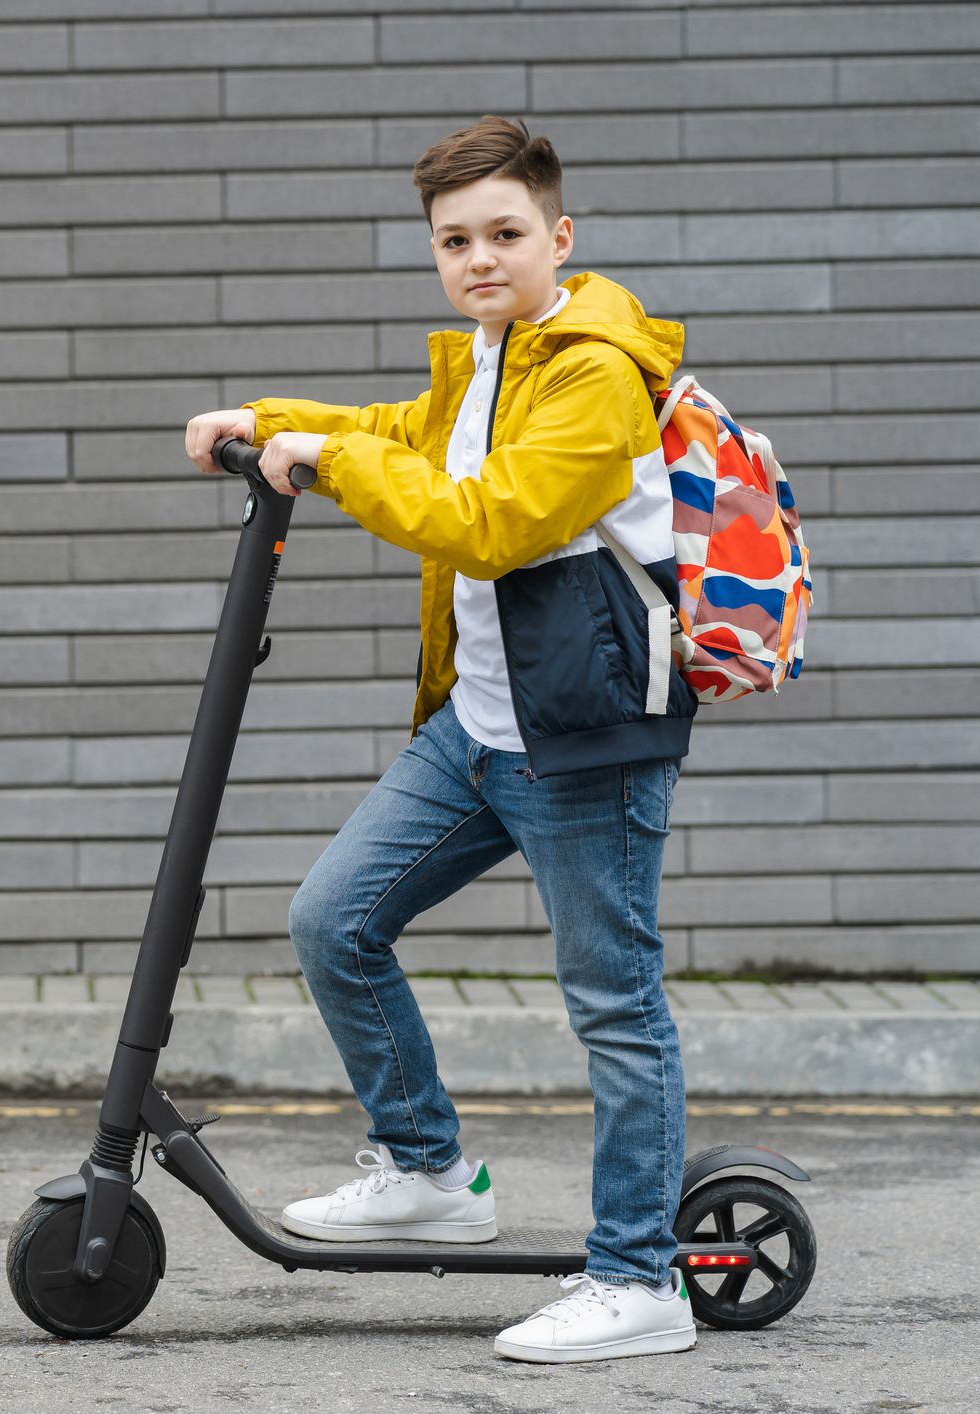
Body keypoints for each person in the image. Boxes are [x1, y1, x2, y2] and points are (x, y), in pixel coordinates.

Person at [183, 114, 698, 1364]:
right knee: (334, 919)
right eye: (454, 239)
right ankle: (426, 1167)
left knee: (614, 1007)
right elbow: (409, 433)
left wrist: (331, 461)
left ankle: (642, 1279)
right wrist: (265, 415)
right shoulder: (491, 356)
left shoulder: (591, 374)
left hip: (583, 744)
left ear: (558, 238)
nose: (479, 257)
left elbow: (487, 522)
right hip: (477, 729)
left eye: (504, 234)